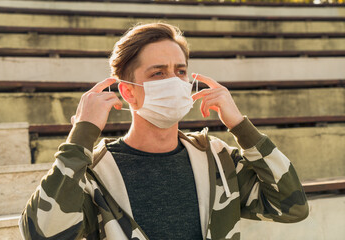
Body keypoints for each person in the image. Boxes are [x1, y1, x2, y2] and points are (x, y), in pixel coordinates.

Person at [19, 23, 309, 240]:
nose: (174, 81)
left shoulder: (218, 160)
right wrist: (81, 135)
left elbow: (291, 207)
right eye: (158, 73)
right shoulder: (92, 172)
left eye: (180, 71)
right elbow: (41, 234)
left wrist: (240, 126)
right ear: (127, 92)